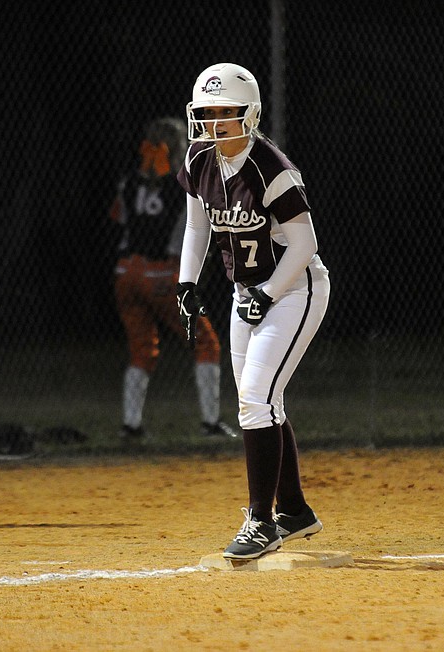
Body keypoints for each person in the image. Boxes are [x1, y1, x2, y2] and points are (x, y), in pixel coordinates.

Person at [176, 63, 330, 559]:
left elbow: (304, 244)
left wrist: (269, 293)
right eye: (208, 112)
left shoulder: (271, 167)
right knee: (262, 400)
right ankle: (295, 511)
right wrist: (186, 282)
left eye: (227, 112)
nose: (217, 122)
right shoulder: (200, 156)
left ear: (251, 113)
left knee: (255, 400)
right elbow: (198, 228)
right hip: (249, 291)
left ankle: (261, 522)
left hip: (295, 289)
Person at [109, 116, 237, 441]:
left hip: (125, 272)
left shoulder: (129, 181)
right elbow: (185, 238)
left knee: (142, 349)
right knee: (206, 343)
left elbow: (119, 219)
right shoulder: (184, 183)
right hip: (161, 272)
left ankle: (131, 426)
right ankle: (210, 424)